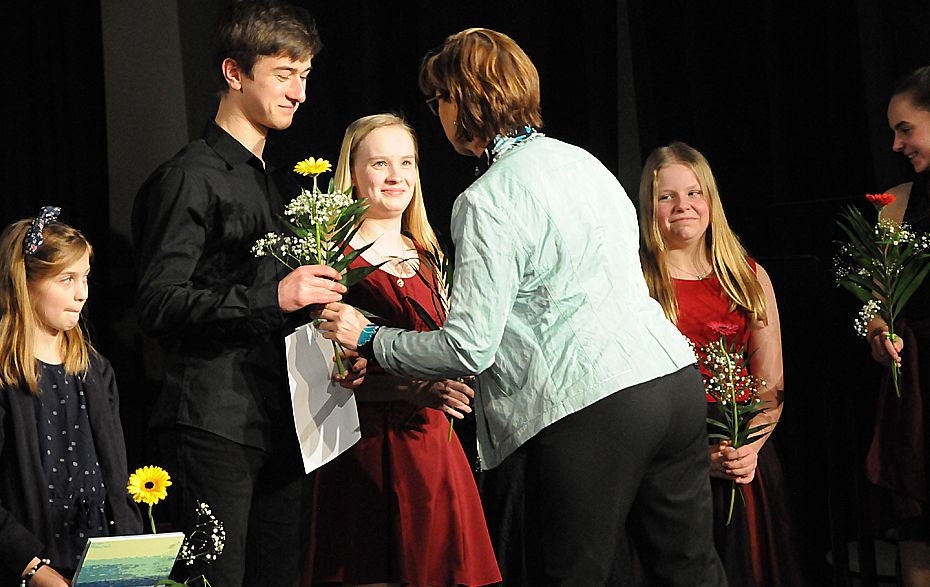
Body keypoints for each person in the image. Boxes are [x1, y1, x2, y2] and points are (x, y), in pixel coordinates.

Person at [319, 29, 727, 587]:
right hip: (672, 381)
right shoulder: (584, 162)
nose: (439, 115)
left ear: (465, 100)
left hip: (592, 404)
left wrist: (369, 338)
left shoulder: (486, 198)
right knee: (690, 570)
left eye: (439, 100)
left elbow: (469, 347)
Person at [131, 2, 349, 585]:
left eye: (304, 75)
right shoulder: (188, 177)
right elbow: (156, 302)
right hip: (213, 424)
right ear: (235, 73)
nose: (299, 93)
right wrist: (272, 298)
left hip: (280, 422)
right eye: (284, 75)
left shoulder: (273, 185)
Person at [305, 114, 500, 587]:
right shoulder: (330, 262)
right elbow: (321, 386)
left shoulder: (428, 255)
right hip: (368, 456)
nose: (396, 176)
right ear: (352, 174)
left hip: (436, 451)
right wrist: (413, 388)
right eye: (380, 163)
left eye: (406, 162)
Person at [638, 142, 804, 587]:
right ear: (649, 207)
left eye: (694, 193)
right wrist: (696, 458)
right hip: (672, 463)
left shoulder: (748, 275)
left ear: (710, 200)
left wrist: (749, 448)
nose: (683, 206)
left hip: (742, 453)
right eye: (667, 197)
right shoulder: (638, 280)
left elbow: (770, 383)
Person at [0, 208, 143, 586]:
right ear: (25, 282)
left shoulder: (96, 370)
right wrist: (32, 567)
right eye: (66, 279)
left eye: (85, 278)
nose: (82, 294)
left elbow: (117, 481)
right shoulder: (5, 375)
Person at [865, 65, 930, 587]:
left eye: (905, 129)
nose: (895, 144)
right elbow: (876, 303)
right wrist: (877, 333)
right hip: (920, 383)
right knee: (919, 523)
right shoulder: (898, 204)